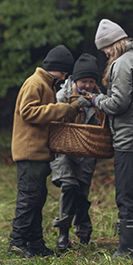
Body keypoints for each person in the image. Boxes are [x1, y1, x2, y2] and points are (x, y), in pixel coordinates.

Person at [90, 18, 133, 256]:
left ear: (114, 43)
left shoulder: (123, 63)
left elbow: (118, 103)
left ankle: (128, 248)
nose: (105, 53)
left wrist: (95, 100)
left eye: (105, 49)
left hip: (130, 137)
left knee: (125, 194)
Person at [8, 46, 75, 257]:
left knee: (38, 199)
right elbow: (28, 112)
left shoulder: (46, 85)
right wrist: (61, 109)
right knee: (28, 199)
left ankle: (35, 242)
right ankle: (17, 242)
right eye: (63, 72)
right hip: (29, 152)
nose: (64, 77)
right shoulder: (35, 83)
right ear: (55, 68)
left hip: (39, 153)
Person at [48, 54, 108, 253]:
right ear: (75, 80)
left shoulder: (99, 98)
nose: (88, 85)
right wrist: (73, 107)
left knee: (81, 191)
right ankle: (63, 233)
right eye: (84, 81)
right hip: (63, 150)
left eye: (91, 81)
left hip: (87, 151)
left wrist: (95, 105)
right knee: (69, 186)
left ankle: (83, 231)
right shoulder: (62, 95)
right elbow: (54, 118)